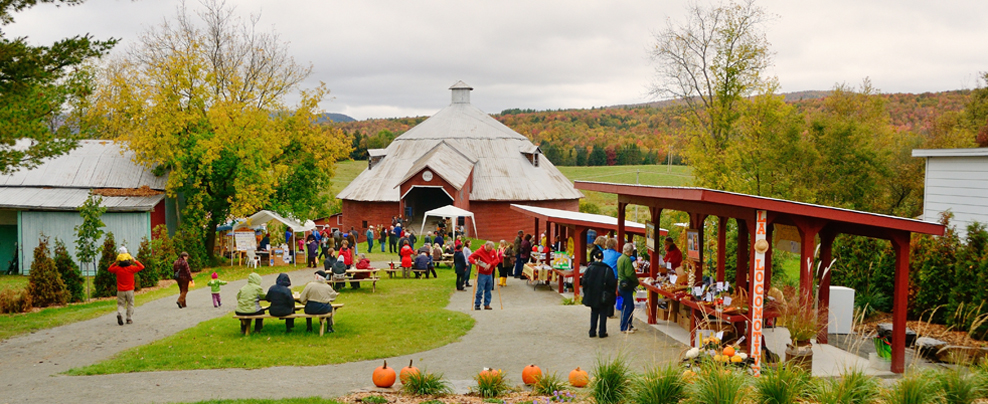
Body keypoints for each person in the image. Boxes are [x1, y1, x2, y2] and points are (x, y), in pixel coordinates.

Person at [107, 248, 145, 325]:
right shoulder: (131, 268)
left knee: (121, 304)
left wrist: (115, 262)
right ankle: (129, 318)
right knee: (130, 303)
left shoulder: (117, 269)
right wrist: (135, 261)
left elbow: (109, 269)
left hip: (120, 290)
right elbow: (142, 267)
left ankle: (119, 313)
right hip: (130, 290)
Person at [582, 260, 616, 338]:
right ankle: (602, 332)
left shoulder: (590, 268)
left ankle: (592, 331)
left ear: (594, 257)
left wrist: (587, 291)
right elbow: (612, 283)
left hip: (592, 294)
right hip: (603, 295)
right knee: (603, 313)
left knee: (594, 312)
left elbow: (584, 281)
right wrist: (610, 293)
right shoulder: (607, 269)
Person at [468, 241, 499, 310]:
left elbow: (497, 260)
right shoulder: (479, 251)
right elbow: (470, 257)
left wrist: (490, 264)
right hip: (482, 273)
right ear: (485, 246)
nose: (489, 251)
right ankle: (477, 304)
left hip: (490, 273)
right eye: (488, 249)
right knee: (480, 289)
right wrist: (475, 262)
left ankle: (487, 304)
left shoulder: (493, 251)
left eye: (490, 250)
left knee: (489, 289)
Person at [617, 242, 640, 333]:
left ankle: (629, 324)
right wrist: (636, 281)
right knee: (628, 306)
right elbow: (629, 273)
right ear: (630, 251)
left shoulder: (620, 258)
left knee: (627, 306)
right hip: (626, 285)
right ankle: (625, 327)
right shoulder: (627, 260)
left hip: (621, 284)